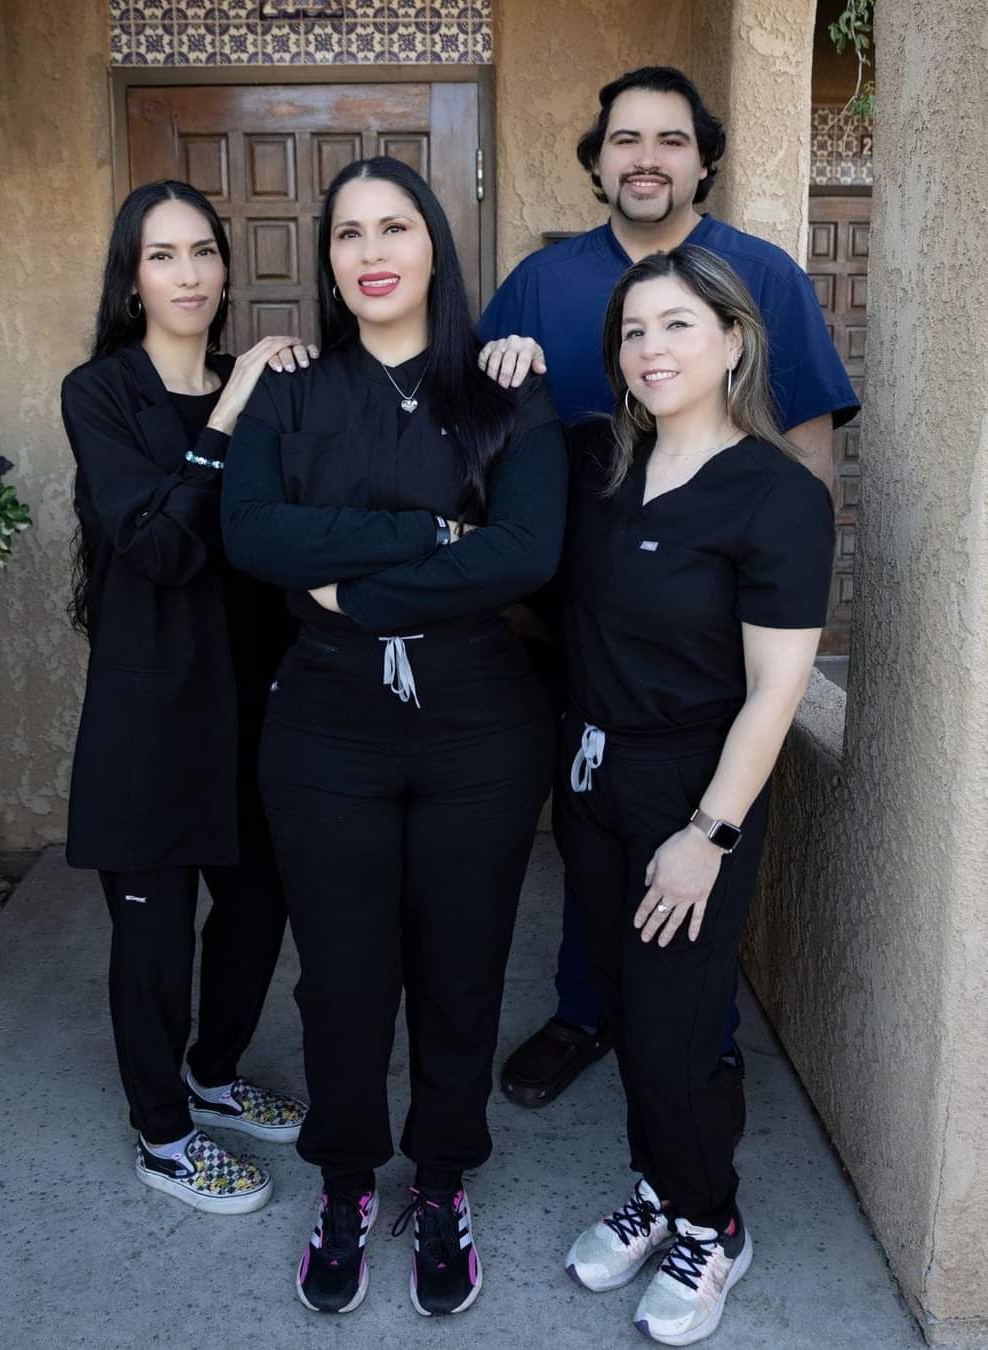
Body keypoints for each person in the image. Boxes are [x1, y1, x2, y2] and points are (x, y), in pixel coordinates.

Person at [221, 156, 566, 1317]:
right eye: (349, 233)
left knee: (462, 971)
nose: (372, 250)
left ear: (435, 245)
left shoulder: (503, 388)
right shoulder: (292, 390)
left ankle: (447, 1174)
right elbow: (257, 531)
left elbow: (523, 551)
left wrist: (358, 587)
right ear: (327, 261)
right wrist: (429, 534)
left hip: (479, 729)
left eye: (396, 227)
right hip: (326, 727)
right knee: (345, 977)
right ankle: (346, 1178)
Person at [480, 65, 858, 1114]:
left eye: (671, 141)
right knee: (592, 830)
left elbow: (810, 450)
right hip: (566, 625)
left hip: (708, 633)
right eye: (625, 140)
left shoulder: (763, 275)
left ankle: (700, 1049)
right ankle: (583, 1011)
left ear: (703, 160)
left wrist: (777, 595)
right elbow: (473, 431)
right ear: (597, 161)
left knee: (695, 839)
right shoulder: (542, 284)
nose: (646, 158)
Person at [556, 244, 834, 1345]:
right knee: (625, 1006)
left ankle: (713, 1224)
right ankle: (663, 1185)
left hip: (695, 788)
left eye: (677, 325)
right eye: (633, 331)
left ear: (733, 341)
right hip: (591, 774)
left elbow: (776, 691)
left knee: (677, 1022)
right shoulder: (601, 467)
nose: (651, 349)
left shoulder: (776, 495)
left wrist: (707, 834)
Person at [61, 180, 306, 1215]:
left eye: (203, 251)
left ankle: (211, 1071)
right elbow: (158, 546)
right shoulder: (101, 392)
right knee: (154, 940)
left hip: (253, 706)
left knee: (258, 910)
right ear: (131, 277)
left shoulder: (265, 388)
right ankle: (163, 1133)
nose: (191, 273)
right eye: (163, 256)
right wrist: (230, 412)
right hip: (149, 714)